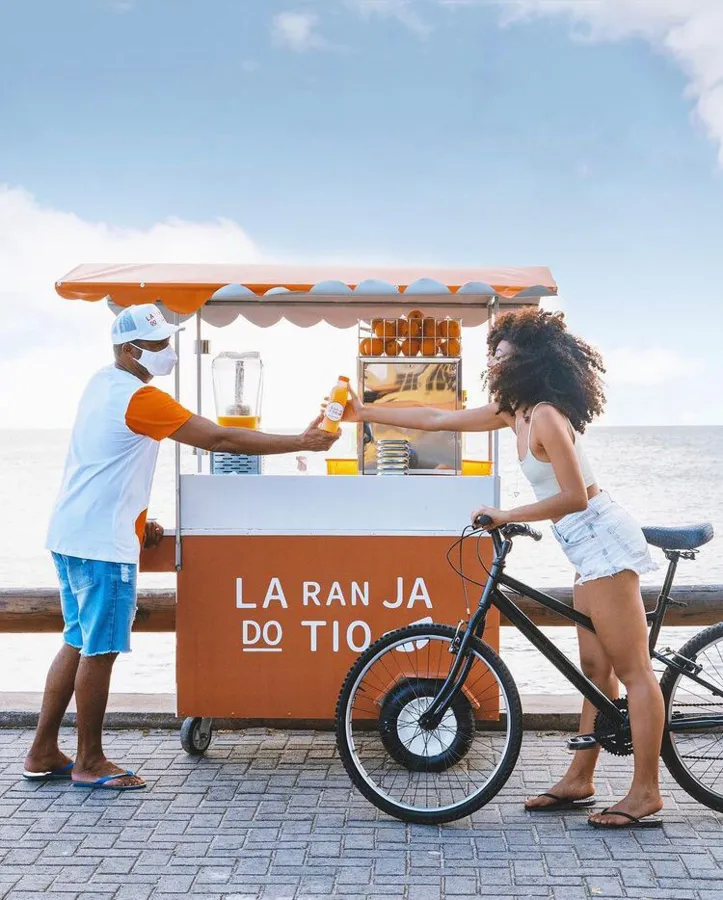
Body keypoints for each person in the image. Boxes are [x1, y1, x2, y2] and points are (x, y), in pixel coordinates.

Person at [340, 308, 664, 829]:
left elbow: (575, 496)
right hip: (582, 548)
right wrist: (365, 413)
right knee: (595, 672)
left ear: (528, 358)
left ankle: (645, 792)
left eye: (503, 349)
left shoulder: (545, 417)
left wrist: (507, 514)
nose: (493, 357)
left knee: (633, 672)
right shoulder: (513, 412)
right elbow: (441, 419)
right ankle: (581, 778)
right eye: (494, 349)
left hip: (603, 539)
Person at [24, 303, 338, 791]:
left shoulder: (99, 384)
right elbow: (221, 438)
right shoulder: (139, 398)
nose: (167, 353)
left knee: (76, 638)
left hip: (70, 533)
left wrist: (141, 519)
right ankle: (90, 760)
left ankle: (43, 750)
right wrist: (300, 441)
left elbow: (107, 463)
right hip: (103, 545)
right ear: (130, 350)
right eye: (157, 346)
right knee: (100, 648)